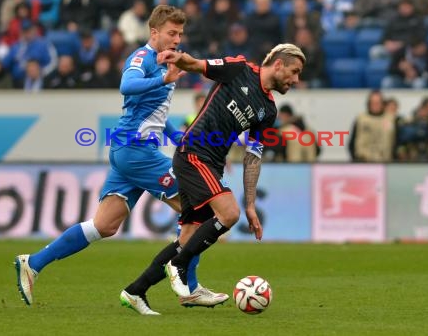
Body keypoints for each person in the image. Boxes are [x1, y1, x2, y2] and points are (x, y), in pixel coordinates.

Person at [14, 5, 227, 314]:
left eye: (180, 33)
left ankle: (33, 263)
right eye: (171, 33)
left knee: (104, 225)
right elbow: (125, 85)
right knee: (200, 211)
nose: (177, 39)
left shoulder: (168, 63)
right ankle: (189, 288)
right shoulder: (142, 58)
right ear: (154, 33)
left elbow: (156, 118)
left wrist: (184, 142)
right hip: (135, 149)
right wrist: (163, 79)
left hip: (131, 150)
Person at [120, 44, 305, 303]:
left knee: (187, 238)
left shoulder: (268, 111)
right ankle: (179, 266)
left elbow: (253, 157)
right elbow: (196, 64)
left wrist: (251, 204)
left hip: (212, 163)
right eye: (294, 71)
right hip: (193, 152)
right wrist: (178, 58)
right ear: (278, 64)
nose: (296, 80)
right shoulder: (238, 69)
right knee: (229, 213)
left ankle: (135, 291)